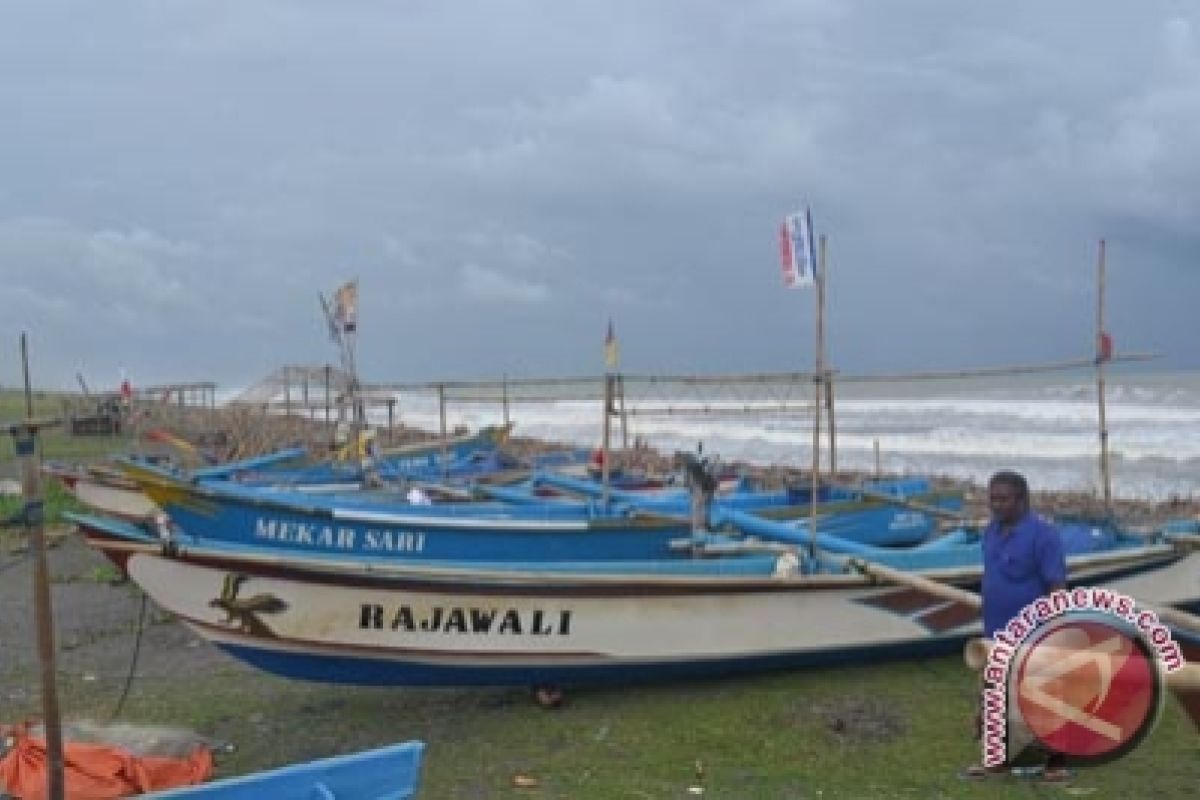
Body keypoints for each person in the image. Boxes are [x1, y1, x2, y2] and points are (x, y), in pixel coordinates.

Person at [964, 470, 1070, 783]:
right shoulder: (991, 533)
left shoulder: (1043, 536)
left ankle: (1056, 763)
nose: (996, 505)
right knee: (995, 695)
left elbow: (1056, 587)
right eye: (992, 499)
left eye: (1004, 499)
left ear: (1022, 500)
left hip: (1034, 634)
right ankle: (996, 761)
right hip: (995, 632)